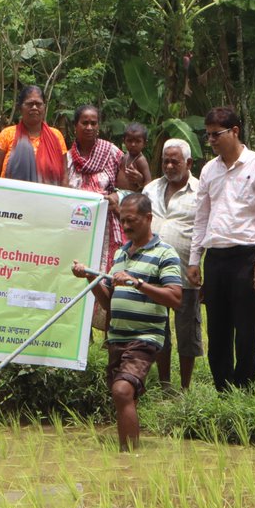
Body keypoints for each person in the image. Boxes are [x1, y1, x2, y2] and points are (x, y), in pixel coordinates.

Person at [71, 194, 183, 451]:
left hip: (145, 338)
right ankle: (130, 455)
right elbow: (110, 302)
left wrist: (138, 283)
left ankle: (128, 459)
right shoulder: (121, 254)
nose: (126, 227)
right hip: (117, 339)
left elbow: (176, 298)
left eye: (131, 220)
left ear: (148, 219)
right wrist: (90, 279)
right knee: (126, 395)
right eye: (123, 221)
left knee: (122, 391)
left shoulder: (165, 254)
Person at [189, 106, 255, 391]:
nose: (212, 140)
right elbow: (201, 216)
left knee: (246, 329)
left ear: (235, 131)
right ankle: (223, 391)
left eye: (216, 134)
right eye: (208, 136)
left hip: (247, 256)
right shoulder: (209, 170)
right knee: (217, 329)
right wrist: (195, 259)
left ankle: (245, 390)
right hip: (216, 258)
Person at [141, 138, 203, 391]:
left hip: (186, 272)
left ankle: (185, 388)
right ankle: (165, 384)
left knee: (188, 332)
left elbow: (205, 230)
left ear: (188, 162)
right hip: (154, 273)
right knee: (159, 331)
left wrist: (200, 266)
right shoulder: (151, 188)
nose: (168, 165)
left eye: (174, 161)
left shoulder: (201, 191)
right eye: (165, 160)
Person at [67, 105, 127, 331]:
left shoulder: (112, 153)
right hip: (77, 231)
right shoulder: (68, 160)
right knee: (78, 275)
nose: (90, 127)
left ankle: (110, 338)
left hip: (107, 232)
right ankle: (79, 336)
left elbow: (126, 191)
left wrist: (114, 197)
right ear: (76, 126)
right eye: (85, 122)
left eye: (94, 123)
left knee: (107, 280)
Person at [0, 85, 67, 184]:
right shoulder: (7, 134)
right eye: (30, 104)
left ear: (44, 107)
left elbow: (65, 175)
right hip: (11, 196)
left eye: (38, 104)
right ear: (20, 108)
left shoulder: (56, 136)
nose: (34, 107)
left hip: (47, 198)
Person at [117, 122, 151, 192]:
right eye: (129, 141)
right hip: (118, 191)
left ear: (144, 143)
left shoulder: (141, 160)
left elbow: (149, 182)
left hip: (132, 195)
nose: (133, 144)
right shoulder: (125, 156)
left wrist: (140, 181)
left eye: (138, 141)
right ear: (124, 141)